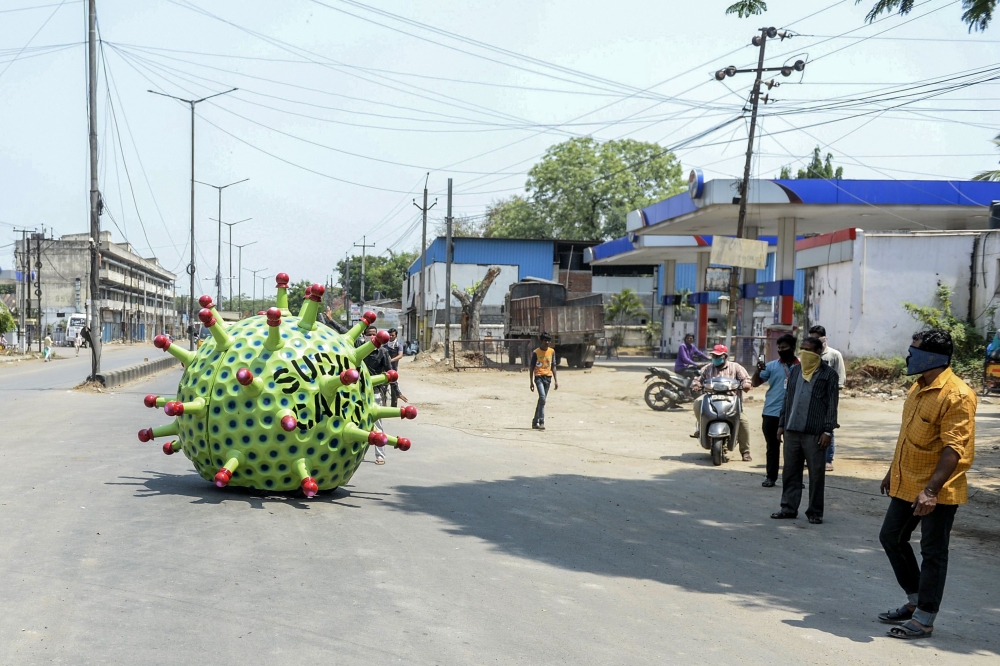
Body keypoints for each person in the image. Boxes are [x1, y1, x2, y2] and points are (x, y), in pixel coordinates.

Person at [877, 329, 976, 640]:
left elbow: (954, 448)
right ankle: (915, 599)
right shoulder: (918, 386)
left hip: (938, 490)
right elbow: (909, 436)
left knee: (933, 552)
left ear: (933, 357)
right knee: (891, 537)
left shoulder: (956, 395)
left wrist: (931, 491)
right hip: (906, 482)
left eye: (914, 350)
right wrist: (892, 470)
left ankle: (925, 618)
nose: (909, 355)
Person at [770, 336, 840, 525]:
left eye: (808, 349)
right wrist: (781, 424)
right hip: (792, 429)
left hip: (815, 433)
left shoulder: (829, 375)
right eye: (802, 349)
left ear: (818, 352)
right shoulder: (794, 371)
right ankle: (788, 508)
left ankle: (815, 512)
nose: (804, 353)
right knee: (790, 472)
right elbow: (787, 399)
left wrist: (827, 431)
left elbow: (832, 406)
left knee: (816, 475)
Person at [690, 344, 753, 461]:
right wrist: (696, 385)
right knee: (698, 402)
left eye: (717, 355)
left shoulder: (736, 367)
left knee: (743, 423)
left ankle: (745, 451)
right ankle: (701, 426)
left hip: (731, 400)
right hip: (711, 399)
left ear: (724, 356)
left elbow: (746, 378)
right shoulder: (708, 368)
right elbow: (697, 379)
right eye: (713, 355)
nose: (714, 357)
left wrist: (746, 384)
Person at [752, 334, 799, 487]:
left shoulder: (802, 366)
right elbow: (755, 383)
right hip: (771, 412)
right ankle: (771, 477)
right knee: (772, 447)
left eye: (784, 348)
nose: (780, 350)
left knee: (795, 450)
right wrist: (757, 371)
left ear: (792, 348)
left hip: (794, 413)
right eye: (778, 348)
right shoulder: (771, 366)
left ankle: (794, 479)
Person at [809, 325, 846, 472]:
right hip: (811, 398)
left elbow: (840, 379)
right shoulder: (808, 356)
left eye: (816, 338)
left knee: (828, 427)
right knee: (810, 426)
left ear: (824, 339)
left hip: (827, 398)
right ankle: (811, 457)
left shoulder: (834, 355)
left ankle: (828, 459)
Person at [356, 325, 393, 464]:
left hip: (375, 393)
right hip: (359, 393)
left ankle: (380, 455)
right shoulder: (359, 350)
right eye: (369, 334)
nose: (372, 337)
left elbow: (390, 373)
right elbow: (344, 333)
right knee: (358, 424)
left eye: (374, 334)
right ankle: (358, 454)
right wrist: (330, 321)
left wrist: (397, 392)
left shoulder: (383, 352)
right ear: (364, 336)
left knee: (377, 425)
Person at [530, 332, 558, 430]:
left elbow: (553, 366)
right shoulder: (536, 352)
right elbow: (531, 367)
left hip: (548, 378)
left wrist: (556, 380)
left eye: (548, 341)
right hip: (539, 377)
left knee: (542, 400)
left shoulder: (552, 351)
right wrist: (531, 382)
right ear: (541, 341)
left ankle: (534, 422)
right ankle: (541, 422)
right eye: (545, 340)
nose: (547, 342)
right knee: (542, 398)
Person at [385, 328, 408, 406]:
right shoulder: (385, 346)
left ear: (396, 336)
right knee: (383, 388)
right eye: (389, 335)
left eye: (393, 335)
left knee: (394, 388)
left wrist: (390, 360)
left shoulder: (399, 346)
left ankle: (393, 407)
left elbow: (400, 355)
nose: (391, 337)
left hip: (394, 370)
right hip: (384, 370)